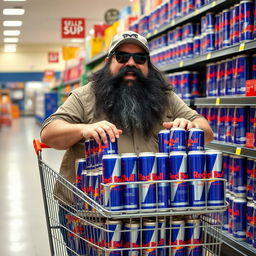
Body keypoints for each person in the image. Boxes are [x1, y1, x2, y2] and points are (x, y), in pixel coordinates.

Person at [40, 30, 213, 254]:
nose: (131, 63)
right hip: (91, 214)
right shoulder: (84, 97)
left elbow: (206, 131)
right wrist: (84, 129)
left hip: (152, 211)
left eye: (140, 58)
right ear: (108, 61)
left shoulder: (166, 97)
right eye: (121, 57)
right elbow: (49, 133)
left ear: (147, 65)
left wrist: (191, 126)